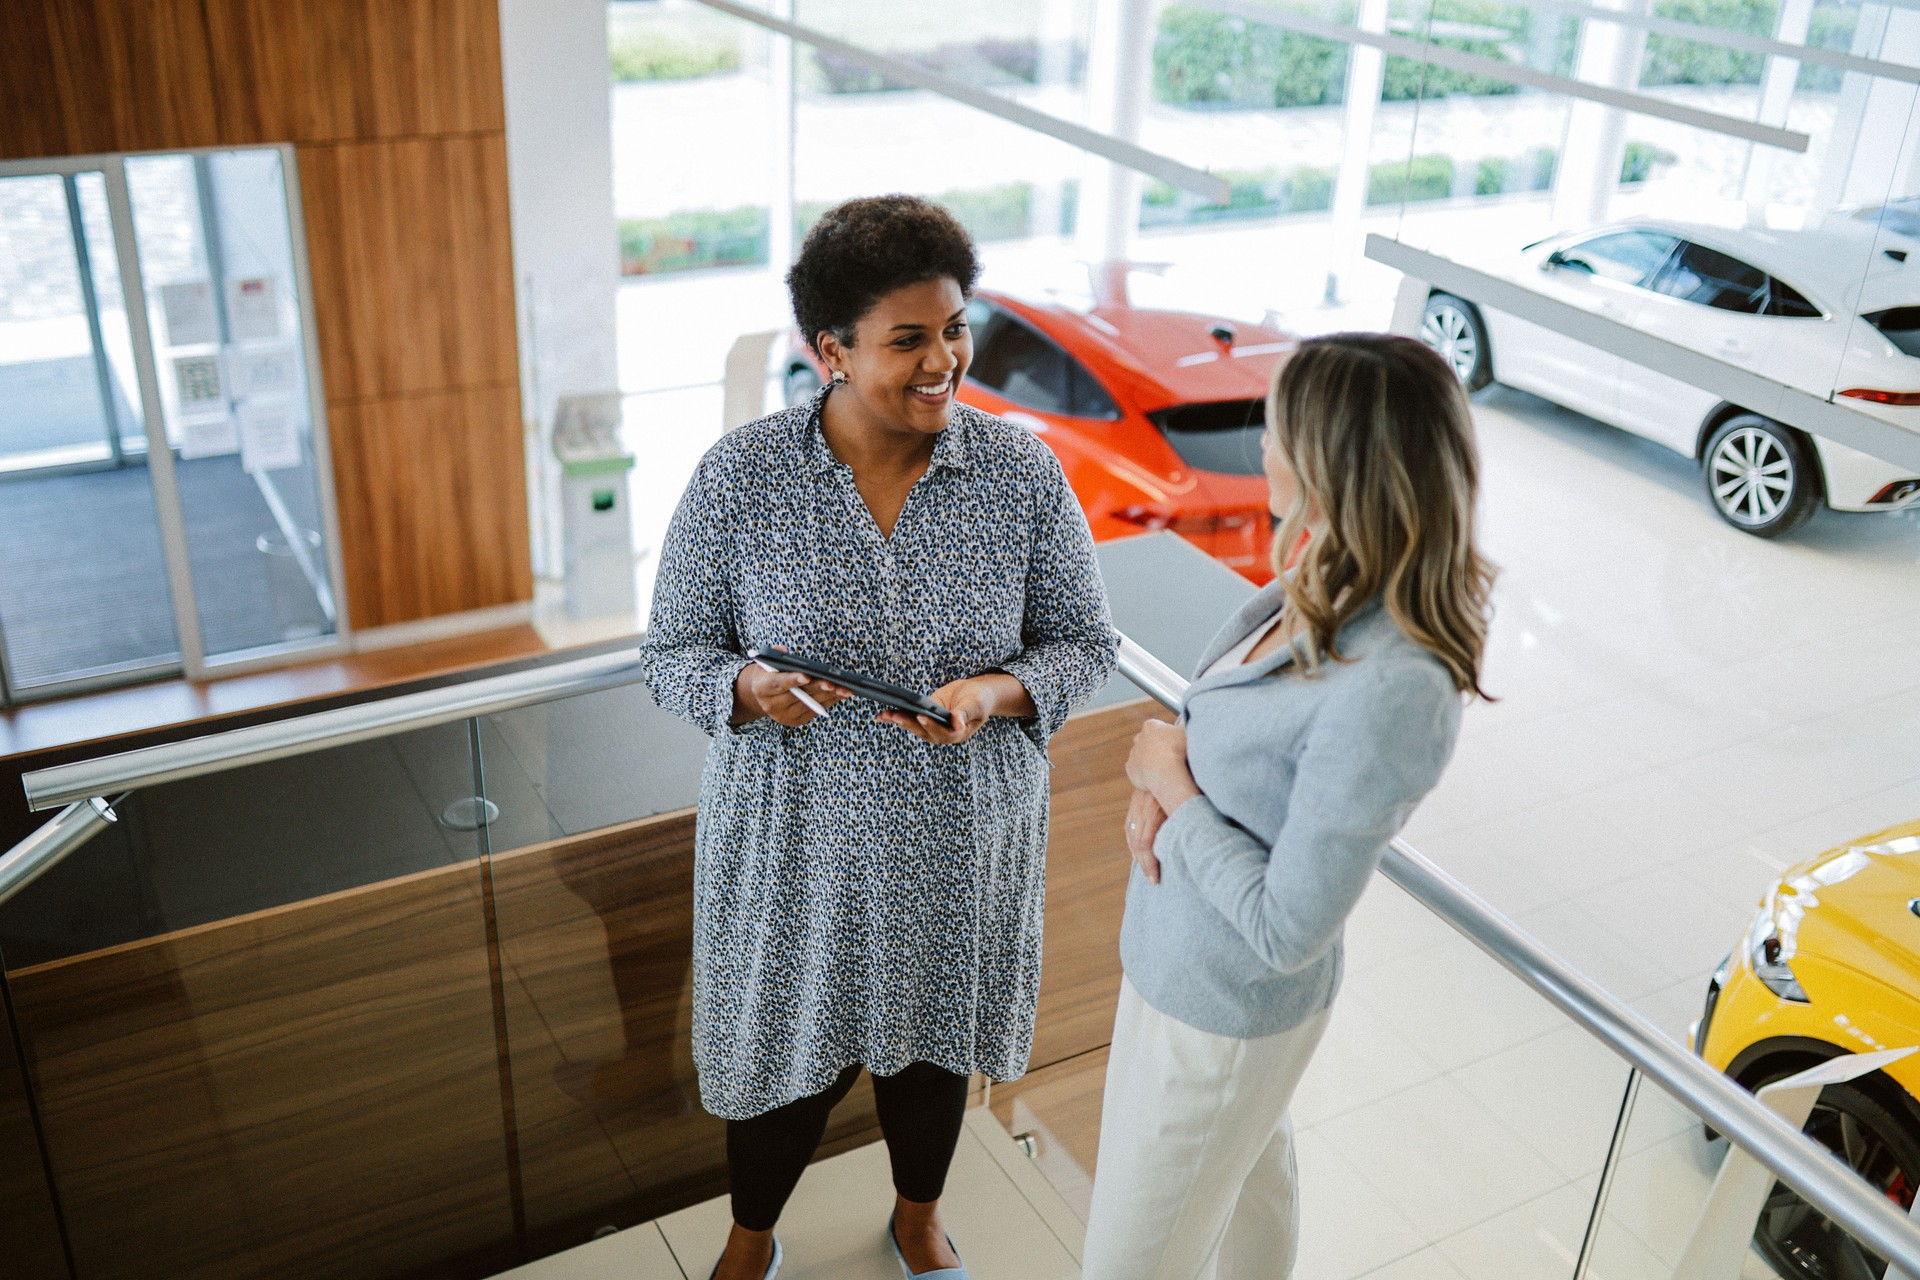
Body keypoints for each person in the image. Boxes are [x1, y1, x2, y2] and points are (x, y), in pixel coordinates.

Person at [640, 194, 1116, 1280]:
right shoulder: (739, 479)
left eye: (955, 327)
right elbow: (670, 651)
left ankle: (918, 1216)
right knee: (780, 1065)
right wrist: (746, 686)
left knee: (934, 1053)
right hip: (792, 850)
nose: (946, 358)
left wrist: (995, 692)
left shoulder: (1019, 474)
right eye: (909, 339)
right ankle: (750, 1234)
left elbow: (1086, 640)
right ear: (829, 352)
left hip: (958, 841)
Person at [1081, 333, 1496, 1280]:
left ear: (1334, 466)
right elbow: (1243, 729)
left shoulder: (1397, 682)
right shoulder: (1328, 576)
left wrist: (1174, 792)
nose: (1259, 446)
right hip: (1178, 968)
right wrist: (1173, 759)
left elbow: (1288, 927)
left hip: (1221, 1012)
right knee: (1247, 1217)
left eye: (1276, 428)